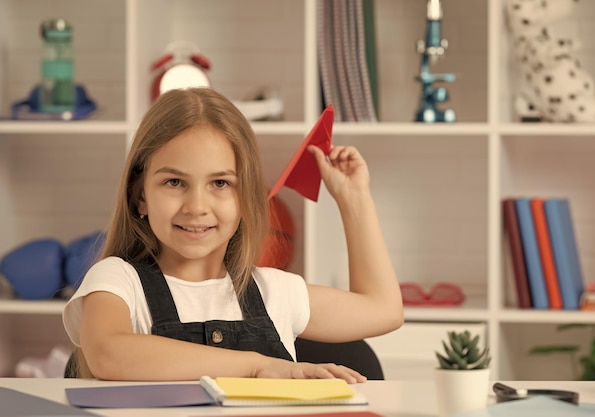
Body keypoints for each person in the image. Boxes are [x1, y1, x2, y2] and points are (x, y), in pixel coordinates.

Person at [62, 87, 404, 382]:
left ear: (245, 200)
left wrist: (353, 197)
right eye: (174, 182)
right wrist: (258, 367)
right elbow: (108, 353)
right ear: (141, 197)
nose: (196, 206)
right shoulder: (117, 281)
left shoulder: (275, 293)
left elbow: (384, 309)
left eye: (220, 183)